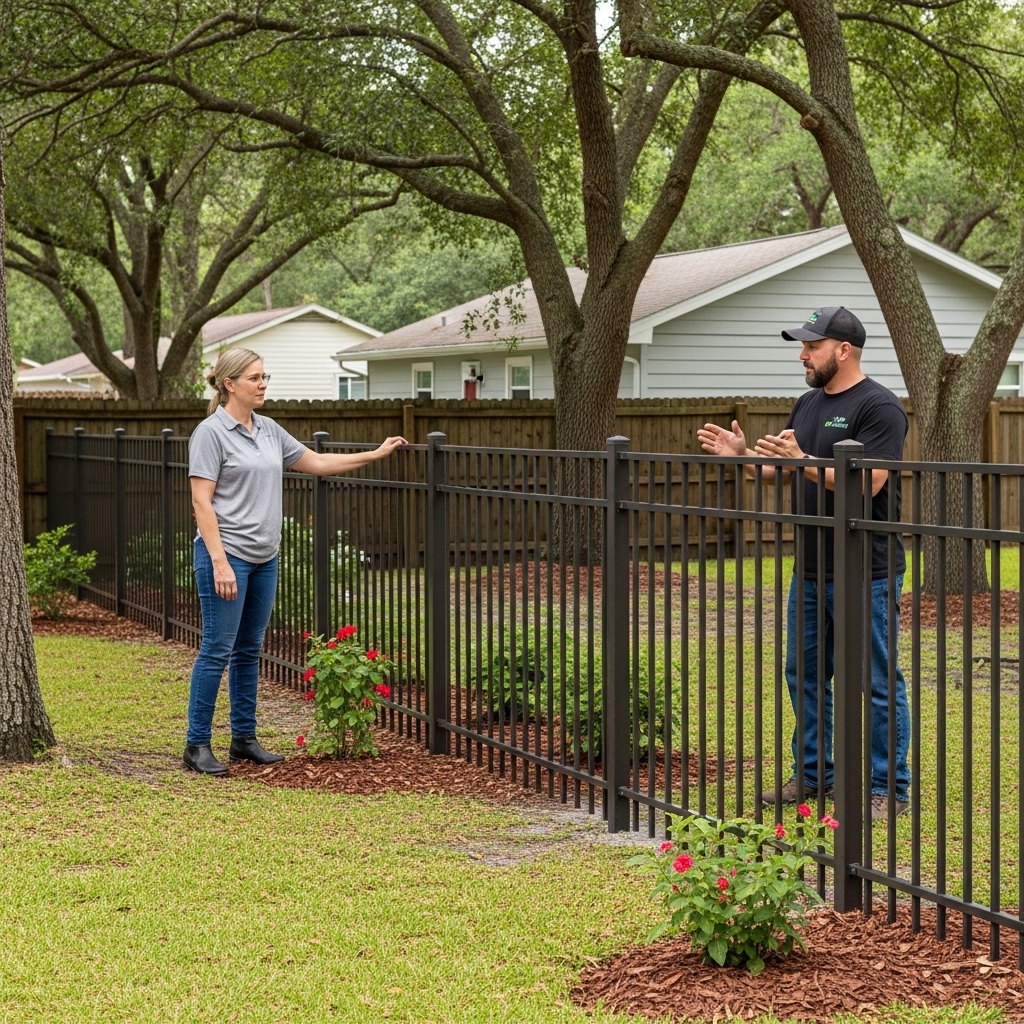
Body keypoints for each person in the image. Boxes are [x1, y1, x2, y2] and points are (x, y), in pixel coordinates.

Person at [696, 306, 910, 820]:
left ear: (843, 350)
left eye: (811, 346)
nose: (802, 354)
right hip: (811, 567)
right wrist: (745, 458)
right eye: (803, 346)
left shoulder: (880, 407)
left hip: (868, 569)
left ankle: (888, 788)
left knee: (877, 681)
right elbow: (779, 470)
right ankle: (814, 776)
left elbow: (870, 483)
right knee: (804, 674)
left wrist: (803, 465)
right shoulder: (808, 403)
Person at [183, 347, 407, 776]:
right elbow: (201, 501)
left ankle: (243, 740)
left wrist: (374, 455)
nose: (263, 384)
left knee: (249, 650)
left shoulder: (268, 430)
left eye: (265, 376)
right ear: (230, 384)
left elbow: (317, 461)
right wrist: (219, 562)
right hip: (226, 556)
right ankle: (196, 745)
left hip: (265, 558)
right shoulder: (210, 434)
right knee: (217, 650)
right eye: (254, 378)